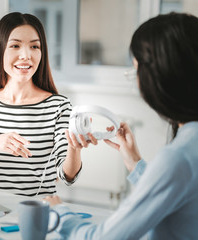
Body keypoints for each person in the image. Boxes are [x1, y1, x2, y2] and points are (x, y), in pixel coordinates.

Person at [44, 12, 198, 239]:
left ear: (162, 77)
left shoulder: (178, 158)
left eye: (136, 71)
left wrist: (60, 213)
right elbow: (175, 192)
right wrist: (135, 163)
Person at [0, 12, 97, 197]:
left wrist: (74, 148)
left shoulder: (59, 106)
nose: (26, 55)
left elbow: (67, 176)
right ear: (0, 50)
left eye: (34, 46)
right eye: (15, 45)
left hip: (39, 212)